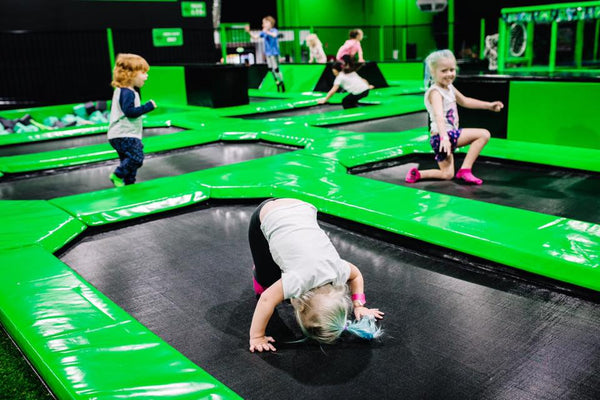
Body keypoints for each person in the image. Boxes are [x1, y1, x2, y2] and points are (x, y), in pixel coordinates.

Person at [248, 198, 384, 352]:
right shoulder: (298, 280)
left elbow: (356, 275)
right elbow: (266, 300)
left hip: (300, 206)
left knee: (285, 269)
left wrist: (358, 305)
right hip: (266, 213)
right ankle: (260, 274)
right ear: (301, 308)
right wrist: (257, 336)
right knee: (266, 278)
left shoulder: (338, 271)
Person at [406, 49, 503, 185]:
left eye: (452, 70)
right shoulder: (435, 92)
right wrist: (444, 137)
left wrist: (489, 105)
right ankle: (465, 170)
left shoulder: (449, 87)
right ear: (433, 72)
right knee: (483, 134)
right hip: (443, 136)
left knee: (447, 174)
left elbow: (465, 101)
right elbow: (439, 116)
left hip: (444, 137)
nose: (449, 74)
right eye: (444, 71)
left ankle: (418, 174)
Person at [107, 53, 156, 187]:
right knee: (137, 158)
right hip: (124, 134)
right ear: (130, 74)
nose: (146, 76)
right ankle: (118, 174)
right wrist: (148, 107)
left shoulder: (123, 91)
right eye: (143, 72)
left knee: (127, 160)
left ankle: (129, 183)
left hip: (119, 134)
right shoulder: (127, 92)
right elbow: (130, 112)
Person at [245, 16, 285, 92]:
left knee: (276, 68)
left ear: (271, 23)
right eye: (264, 23)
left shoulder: (274, 30)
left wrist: (267, 32)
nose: (264, 24)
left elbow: (274, 35)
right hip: (268, 53)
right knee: (270, 69)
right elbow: (255, 37)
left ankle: (281, 81)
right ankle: (277, 82)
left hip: (274, 52)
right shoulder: (263, 32)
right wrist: (249, 31)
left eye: (266, 23)